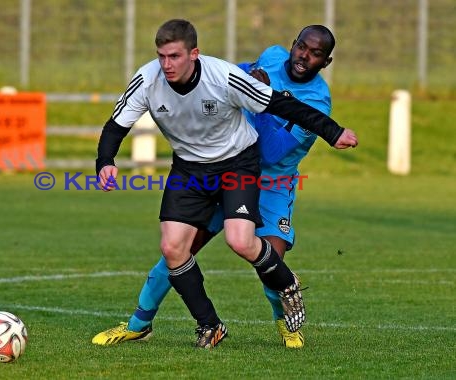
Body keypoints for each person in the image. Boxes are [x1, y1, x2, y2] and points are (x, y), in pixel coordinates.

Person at [96, 19, 357, 349]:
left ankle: (287, 325)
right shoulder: (272, 57)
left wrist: (266, 100)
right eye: (301, 46)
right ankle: (138, 324)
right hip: (211, 171)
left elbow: (272, 151)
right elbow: (231, 77)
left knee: (266, 261)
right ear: (292, 43)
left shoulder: (317, 102)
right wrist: (243, 81)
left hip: (269, 182)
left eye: (315, 53)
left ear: (326, 62)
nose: (303, 56)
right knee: (175, 251)